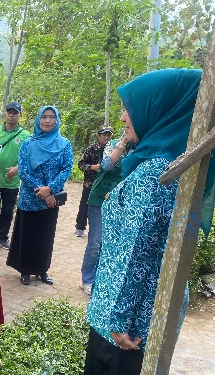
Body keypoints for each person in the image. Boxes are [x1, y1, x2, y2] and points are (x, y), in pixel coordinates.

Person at [85, 68, 213, 375]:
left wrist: (118, 319)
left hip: (122, 331)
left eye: (129, 110)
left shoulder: (154, 174)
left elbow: (136, 252)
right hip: (138, 318)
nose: (123, 119)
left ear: (156, 111)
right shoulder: (169, 166)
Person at [6, 106, 73, 286]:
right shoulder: (28, 143)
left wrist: (50, 189)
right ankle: (25, 270)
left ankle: (42, 269)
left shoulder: (64, 144)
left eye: (52, 117)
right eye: (44, 117)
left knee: (46, 235)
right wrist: (41, 190)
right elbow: (23, 171)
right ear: (38, 119)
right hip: (30, 198)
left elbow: (67, 168)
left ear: (57, 120)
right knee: (27, 235)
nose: (48, 121)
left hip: (51, 199)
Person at [79, 132, 130, 295]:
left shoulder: (139, 148)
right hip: (100, 198)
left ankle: (102, 279)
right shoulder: (112, 144)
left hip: (120, 201)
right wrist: (122, 143)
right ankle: (87, 280)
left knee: (111, 243)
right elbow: (107, 165)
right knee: (95, 242)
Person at [0, 102, 30, 249]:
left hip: (11, 181)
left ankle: (2, 236)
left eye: (15, 112)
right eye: (9, 112)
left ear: (20, 115)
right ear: (5, 113)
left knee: (7, 211)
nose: (11, 115)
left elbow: (28, 158)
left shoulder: (25, 136)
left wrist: (17, 169)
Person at [74, 125, 113, 237]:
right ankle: (80, 227)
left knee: (103, 206)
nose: (107, 137)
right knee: (85, 205)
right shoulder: (91, 148)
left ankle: (100, 231)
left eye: (109, 135)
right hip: (90, 183)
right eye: (104, 135)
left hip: (106, 184)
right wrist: (92, 167)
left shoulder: (114, 149)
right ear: (98, 136)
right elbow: (81, 164)